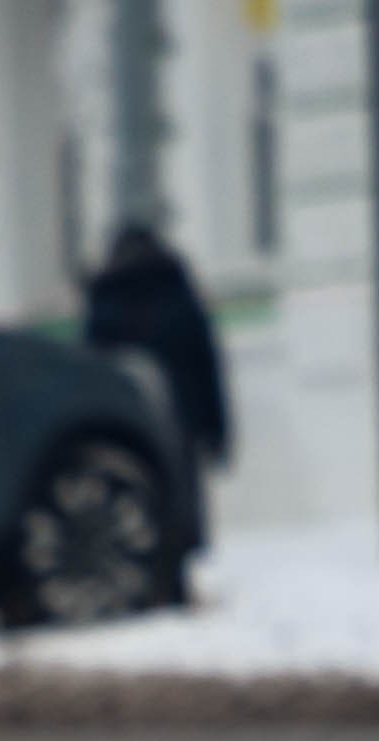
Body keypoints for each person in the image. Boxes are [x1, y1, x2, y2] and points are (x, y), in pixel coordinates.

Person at [80, 222, 231, 541]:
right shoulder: (177, 294)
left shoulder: (106, 298)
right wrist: (218, 432)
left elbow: (90, 369)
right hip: (179, 417)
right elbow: (206, 367)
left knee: (135, 502)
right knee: (180, 502)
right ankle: (177, 568)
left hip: (124, 421)